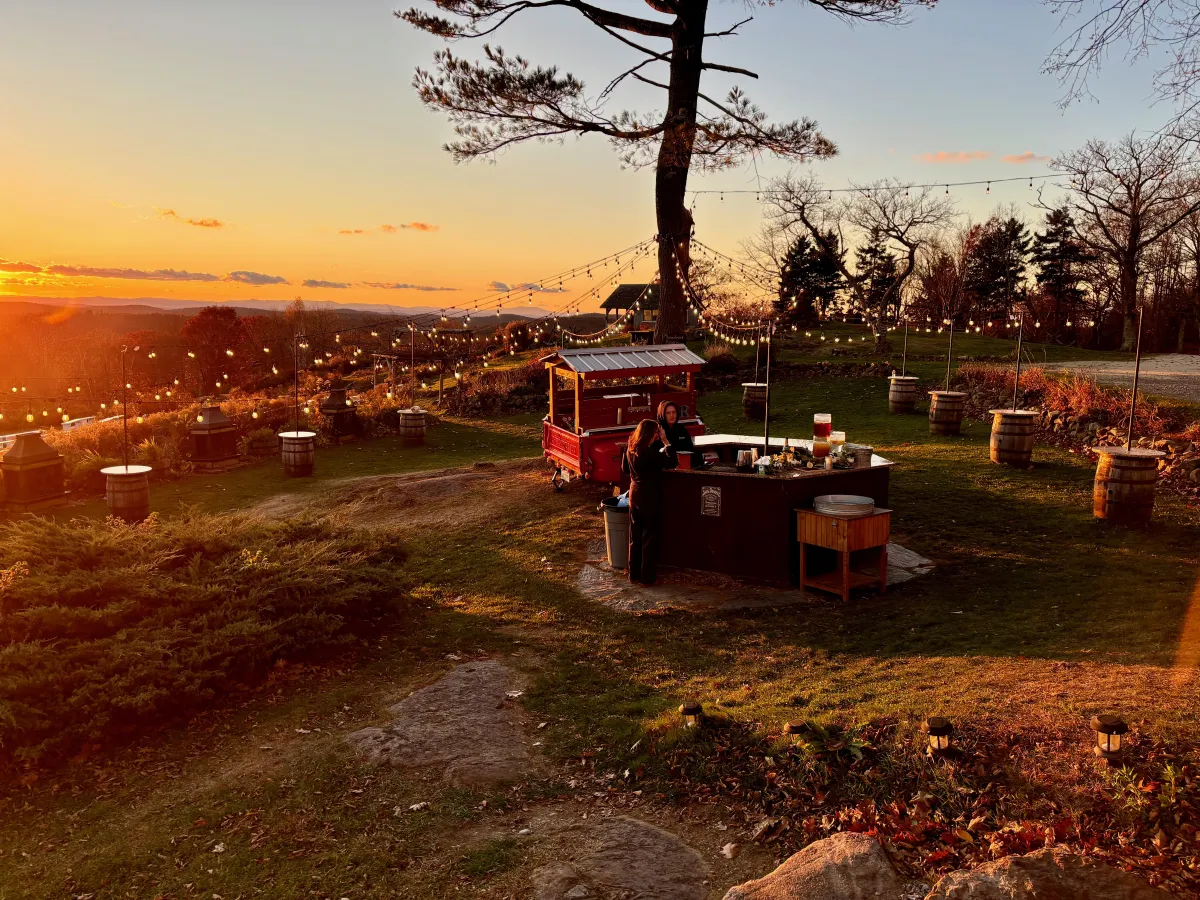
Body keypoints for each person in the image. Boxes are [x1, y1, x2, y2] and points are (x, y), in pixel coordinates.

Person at [621, 418, 678, 586]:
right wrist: (667, 441)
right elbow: (672, 462)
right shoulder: (651, 454)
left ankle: (634, 574)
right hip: (650, 495)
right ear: (652, 434)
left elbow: (625, 469)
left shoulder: (630, 449)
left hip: (635, 493)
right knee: (650, 536)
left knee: (635, 535)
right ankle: (647, 577)